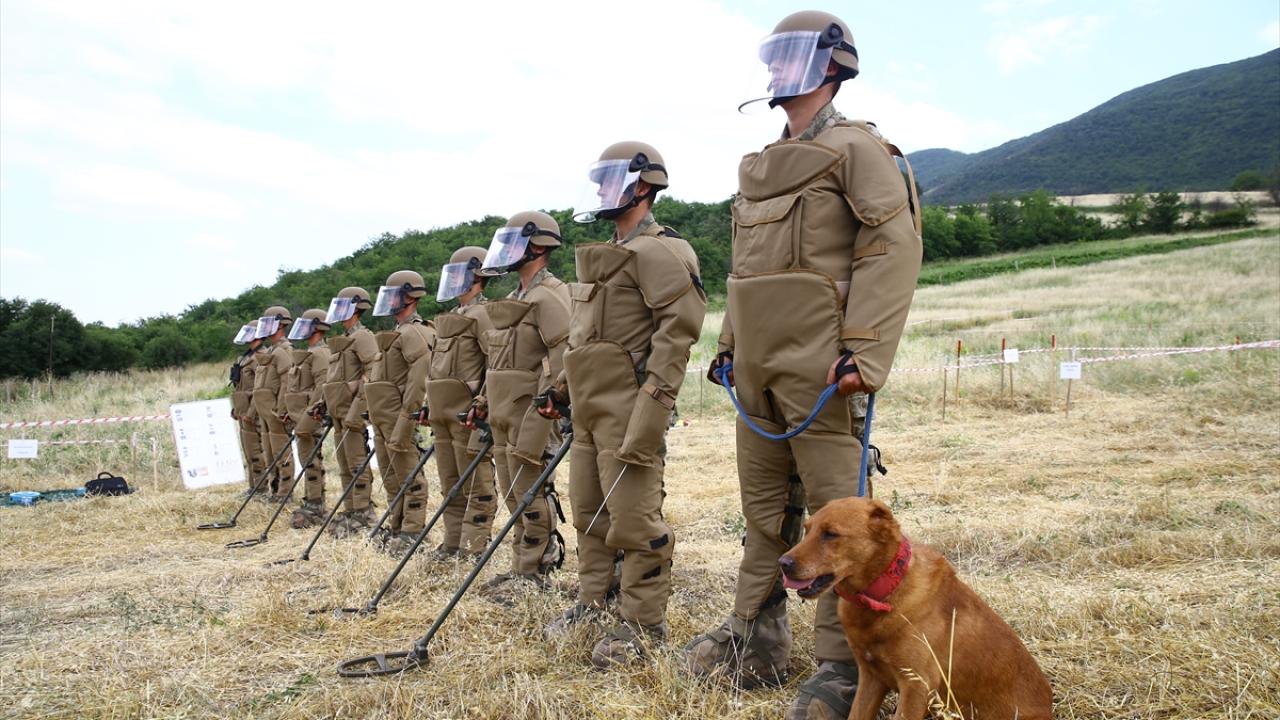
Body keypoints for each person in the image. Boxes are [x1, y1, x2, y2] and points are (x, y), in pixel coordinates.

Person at [681, 11, 923, 719]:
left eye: (792, 55)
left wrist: (865, 351)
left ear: (833, 66)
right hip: (757, 373)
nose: (776, 70)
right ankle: (753, 639)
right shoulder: (762, 164)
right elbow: (746, 271)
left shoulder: (859, 149)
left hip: (823, 370)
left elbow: (892, 247)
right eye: (773, 55)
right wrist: (730, 348)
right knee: (764, 517)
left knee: (840, 526)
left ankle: (846, 667)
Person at [539, 142, 706, 667]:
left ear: (643, 186)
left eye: (611, 181)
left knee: (635, 519)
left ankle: (643, 624)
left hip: (631, 409)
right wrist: (560, 390)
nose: (601, 192)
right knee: (589, 514)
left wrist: (650, 414)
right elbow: (584, 339)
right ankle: (594, 602)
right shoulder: (609, 254)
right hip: (589, 409)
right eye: (600, 182)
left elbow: (676, 339)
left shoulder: (663, 252)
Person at [469, 214, 570, 601]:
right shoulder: (516, 298)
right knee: (513, 493)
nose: (506, 250)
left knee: (531, 492)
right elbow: (497, 361)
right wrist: (482, 401)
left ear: (538, 247)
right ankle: (520, 566)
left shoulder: (551, 295)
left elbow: (563, 353)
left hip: (534, 412)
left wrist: (555, 396)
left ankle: (537, 567)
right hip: (503, 413)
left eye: (516, 242)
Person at [425, 247, 498, 560]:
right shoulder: (452, 317)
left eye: (459, 274)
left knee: (476, 486)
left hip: (469, 415)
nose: (453, 280)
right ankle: (452, 544)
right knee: (450, 484)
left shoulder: (483, 314)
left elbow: (495, 361)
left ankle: (472, 548)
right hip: (443, 415)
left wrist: (484, 402)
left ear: (476, 278)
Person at [365, 271, 436, 555]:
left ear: (410, 297)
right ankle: (397, 527)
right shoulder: (396, 333)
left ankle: (413, 532)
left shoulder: (414, 333)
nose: (389, 300)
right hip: (383, 419)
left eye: (394, 295)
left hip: (400, 418)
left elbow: (419, 381)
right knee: (391, 478)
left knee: (410, 477)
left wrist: (408, 418)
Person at [318, 287, 380, 536]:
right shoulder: (343, 339)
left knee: (356, 464)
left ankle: (364, 511)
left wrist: (359, 407)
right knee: (344, 465)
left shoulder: (362, 336)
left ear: (356, 308)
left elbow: (372, 371)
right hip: (338, 413)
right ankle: (351, 509)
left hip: (352, 413)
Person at [285, 308, 333, 529]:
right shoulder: (310, 352)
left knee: (312, 461)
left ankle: (316, 503)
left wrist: (310, 414)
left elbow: (322, 386)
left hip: (311, 417)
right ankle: (311, 500)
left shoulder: (320, 353)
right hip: (301, 416)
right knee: (307, 460)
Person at [251, 306, 296, 500]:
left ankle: (285, 492)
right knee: (270, 454)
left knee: (281, 453)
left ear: (280, 325)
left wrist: (282, 408)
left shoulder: (284, 350)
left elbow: (288, 381)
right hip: (266, 413)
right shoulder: (272, 350)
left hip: (276, 412)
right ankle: (275, 489)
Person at [230, 319, 268, 491]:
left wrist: (251, 413)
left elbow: (259, 388)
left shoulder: (261, 357)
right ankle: (254, 487)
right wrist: (236, 409)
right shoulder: (246, 357)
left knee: (257, 451)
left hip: (254, 412)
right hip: (243, 411)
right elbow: (240, 387)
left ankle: (262, 487)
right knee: (249, 452)